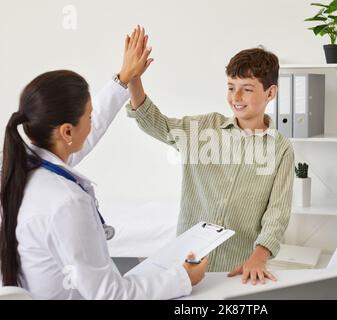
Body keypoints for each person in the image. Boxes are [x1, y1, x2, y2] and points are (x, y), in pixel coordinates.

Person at [0, 26, 207, 300]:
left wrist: (123, 80)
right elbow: (110, 295)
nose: (92, 120)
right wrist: (183, 278)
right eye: (88, 115)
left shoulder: (21, 169)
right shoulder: (66, 203)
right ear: (66, 131)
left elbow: (89, 132)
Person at [126, 40, 294, 285]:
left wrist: (259, 257)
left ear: (270, 93)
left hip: (238, 270)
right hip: (187, 266)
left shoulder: (280, 149)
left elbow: (277, 214)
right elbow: (156, 124)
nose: (236, 97)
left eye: (247, 89)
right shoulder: (204, 128)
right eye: (230, 87)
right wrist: (133, 79)